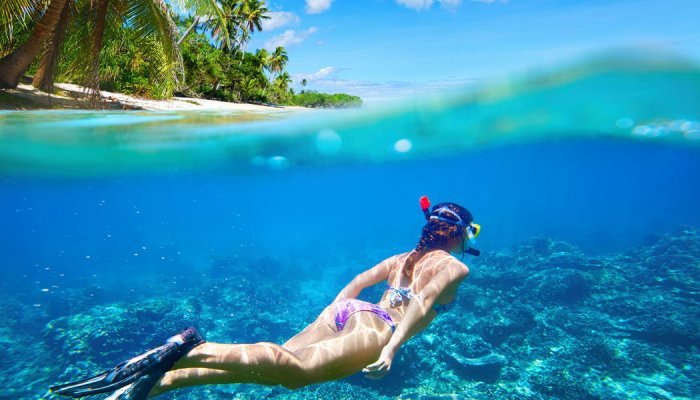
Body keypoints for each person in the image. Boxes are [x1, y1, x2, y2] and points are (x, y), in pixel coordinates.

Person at [51, 197, 481, 399]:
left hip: (350, 312)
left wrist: (332, 311)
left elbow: (357, 281)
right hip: (379, 327)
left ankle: (153, 384)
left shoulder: (404, 256)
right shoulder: (454, 267)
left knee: (270, 367)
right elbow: (422, 305)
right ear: (461, 233)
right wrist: (390, 347)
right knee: (291, 374)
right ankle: (189, 346)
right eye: (472, 232)